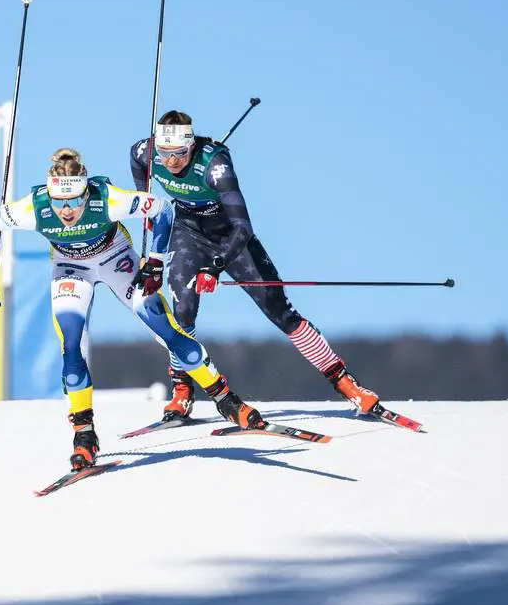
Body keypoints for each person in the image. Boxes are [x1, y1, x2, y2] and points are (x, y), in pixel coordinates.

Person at [0, 147, 265, 472]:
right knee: (71, 347)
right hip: (71, 268)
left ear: (86, 193)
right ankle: (84, 436)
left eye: (74, 201)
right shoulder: (34, 207)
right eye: (59, 203)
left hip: (115, 258)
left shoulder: (107, 197)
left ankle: (226, 400)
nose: (67, 211)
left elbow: (163, 210)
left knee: (167, 331)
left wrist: (154, 262)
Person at [129, 110, 382, 421]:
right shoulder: (146, 151)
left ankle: (347, 385)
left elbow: (242, 227)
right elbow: (139, 168)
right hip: (188, 233)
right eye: (166, 154)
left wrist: (215, 266)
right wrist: (148, 211)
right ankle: (182, 390)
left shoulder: (215, 166)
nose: (171, 162)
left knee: (281, 313)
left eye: (179, 153)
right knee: (181, 312)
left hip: (230, 237)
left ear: (191, 146)